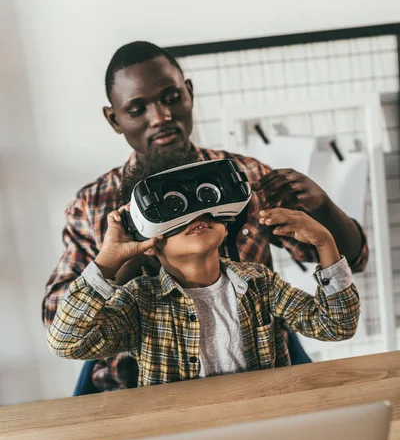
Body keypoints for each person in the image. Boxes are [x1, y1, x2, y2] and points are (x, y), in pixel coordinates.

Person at [42, 41, 369, 391]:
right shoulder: (93, 206)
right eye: (138, 109)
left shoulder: (244, 180)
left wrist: (322, 211)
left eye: (170, 98)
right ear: (115, 118)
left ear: (189, 93)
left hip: (259, 362)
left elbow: (345, 281)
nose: (161, 117)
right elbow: (60, 327)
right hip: (129, 383)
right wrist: (120, 260)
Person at [47, 171, 360, 382]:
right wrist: (106, 262)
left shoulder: (260, 284)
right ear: (149, 241)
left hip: (263, 429)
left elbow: (337, 325)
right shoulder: (140, 302)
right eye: (174, 209)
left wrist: (325, 243)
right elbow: (65, 342)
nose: (197, 216)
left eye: (206, 205)